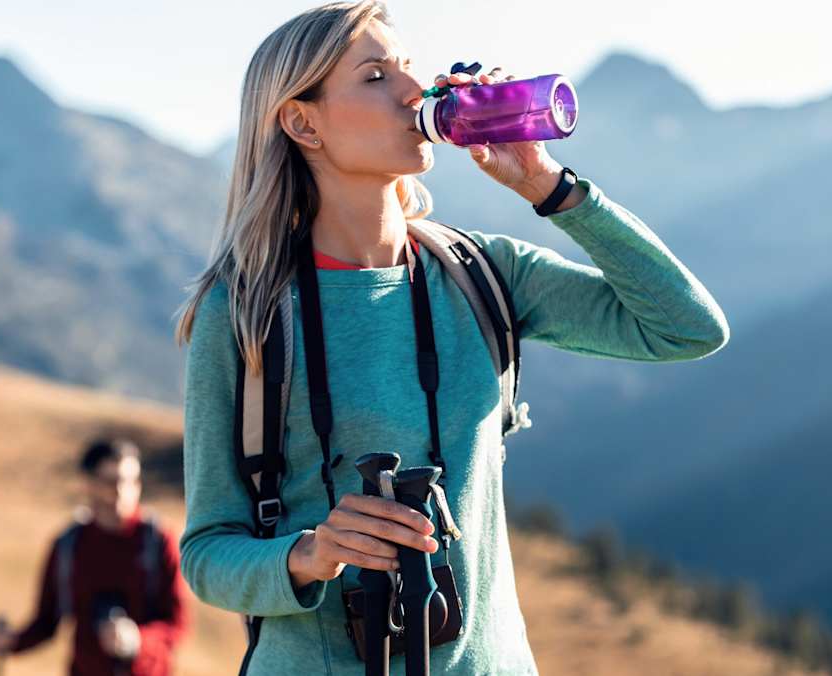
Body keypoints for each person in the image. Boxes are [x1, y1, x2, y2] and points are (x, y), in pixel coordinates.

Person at [173, 1, 730, 674]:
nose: (414, 92)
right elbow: (209, 555)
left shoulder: (482, 275)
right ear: (302, 122)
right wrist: (310, 552)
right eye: (376, 76)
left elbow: (685, 328)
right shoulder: (245, 313)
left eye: (410, 69)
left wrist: (548, 186)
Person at [0, 438, 190, 675]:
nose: (121, 491)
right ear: (89, 484)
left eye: (130, 481)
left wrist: (137, 640)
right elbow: (46, 621)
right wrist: (12, 642)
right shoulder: (69, 545)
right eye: (111, 481)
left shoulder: (158, 541)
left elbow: (177, 625)